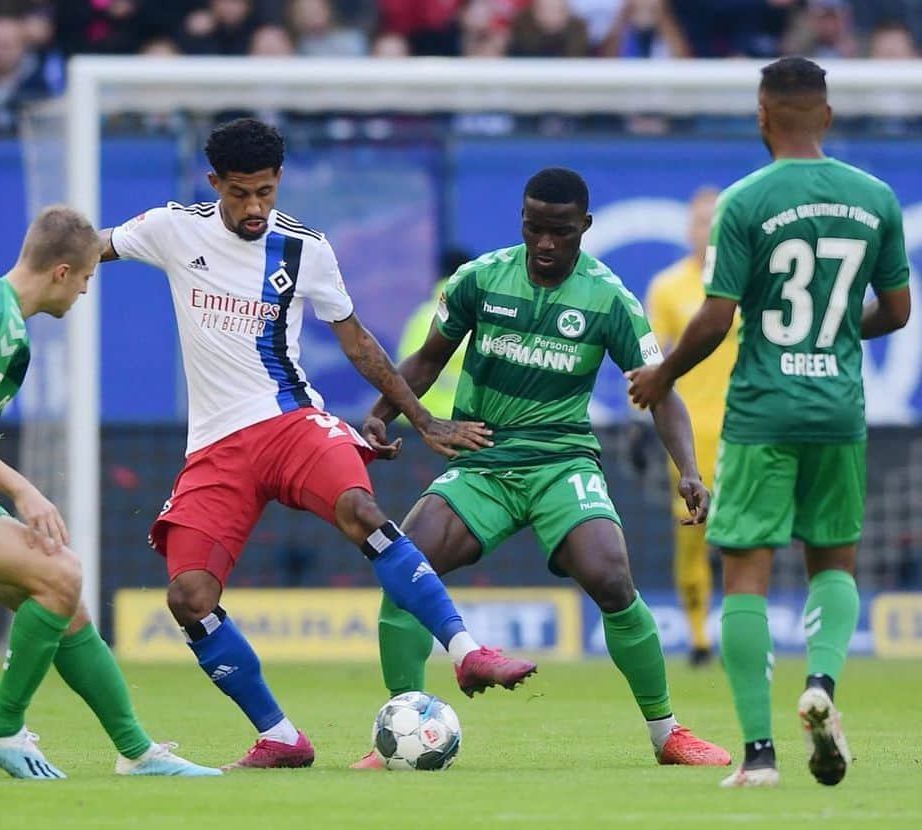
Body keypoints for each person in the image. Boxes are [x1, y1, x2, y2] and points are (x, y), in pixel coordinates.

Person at [97, 118, 536, 770]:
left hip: (291, 421)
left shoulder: (305, 249)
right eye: (241, 193)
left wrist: (418, 416)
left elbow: (357, 340)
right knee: (189, 598)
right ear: (214, 182)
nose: (254, 207)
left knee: (364, 513)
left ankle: (467, 650)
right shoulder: (171, 228)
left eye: (266, 192)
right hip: (217, 446)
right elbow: (89, 245)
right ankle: (280, 736)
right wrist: (32, 273)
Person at [351, 167, 732, 770]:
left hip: (561, 462)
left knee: (611, 578)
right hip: (486, 460)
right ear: (522, 223)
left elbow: (660, 391)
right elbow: (427, 359)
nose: (546, 244)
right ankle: (405, 720)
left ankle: (668, 735)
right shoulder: (480, 279)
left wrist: (686, 468)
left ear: (584, 227)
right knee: (407, 569)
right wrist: (381, 415)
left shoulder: (609, 298)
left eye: (560, 231)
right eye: (534, 229)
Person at [0, 206, 221, 780]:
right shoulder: (2, 326)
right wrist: (24, 491)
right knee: (62, 573)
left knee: (63, 600)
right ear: (61, 273)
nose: (83, 292)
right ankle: (1, 728)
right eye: (85, 279)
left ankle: (138, 752)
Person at [627, 57, 912, 788]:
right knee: (834, 561)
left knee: (746, 579)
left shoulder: (745, 201)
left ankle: (758, 756)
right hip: (840, 410)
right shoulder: (875, 197)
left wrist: (664, 374)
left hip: (761, 409)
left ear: (762, 117)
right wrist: (838, 334)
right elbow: (899, 311)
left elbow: (717, 317)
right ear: (828, 116)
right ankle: (823, 684)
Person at [642, 186, 736, 667]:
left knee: (746, 534)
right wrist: (641, 416)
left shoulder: (747, 281)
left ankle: (742, 629)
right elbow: (648, 359)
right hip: (690, 433)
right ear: (688, 229)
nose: (707, 230)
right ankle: (700, 638)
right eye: (700, 221)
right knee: (691, 534)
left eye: (715, 221)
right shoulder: (667, 287)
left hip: (745, 428)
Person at [395, 248, 472, 418]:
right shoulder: (476, 315)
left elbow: (406, 362)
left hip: (415, 417)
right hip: (457, 419)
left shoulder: (422, 315)